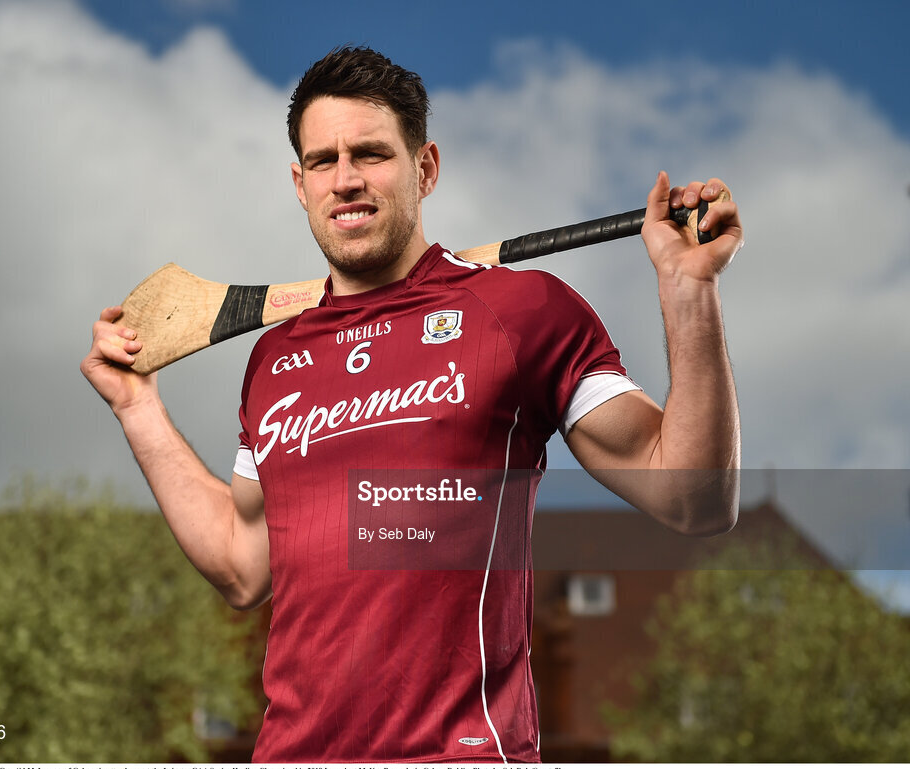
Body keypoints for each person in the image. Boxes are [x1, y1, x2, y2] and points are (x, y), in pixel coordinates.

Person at [81, 46, 743, 763]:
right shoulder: (273, 361)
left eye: (371, 154)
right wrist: (137, 409)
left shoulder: (523, 313)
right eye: (324, 161)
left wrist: (688, 293)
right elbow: (244, 566)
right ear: (299, 185)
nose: (347, 180)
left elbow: (694, 498)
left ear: (425, 168)